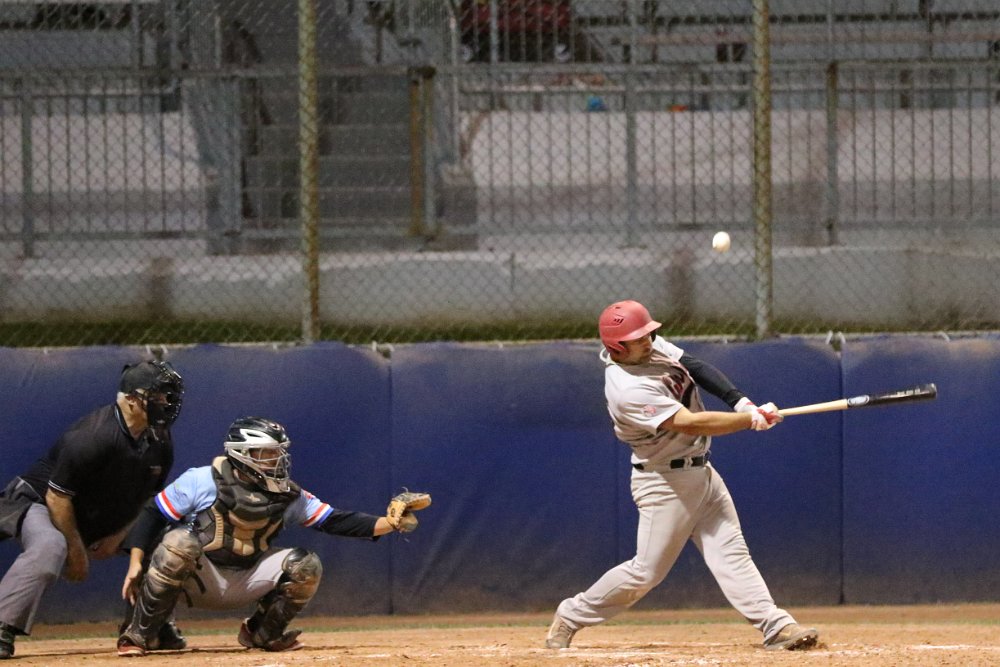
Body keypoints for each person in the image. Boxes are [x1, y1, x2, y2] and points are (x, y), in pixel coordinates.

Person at [545, 300, 819, 652]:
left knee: (731, 552)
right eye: (638, 339)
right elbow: (689, 423)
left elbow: (694, 366)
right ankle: (570, 615)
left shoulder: (648, 347)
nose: (649, 341)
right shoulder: (627, 389)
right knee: (645, 573)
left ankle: (775, 625)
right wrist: (749, 421)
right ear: (617, 347)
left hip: (700, 471)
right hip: (664, 483)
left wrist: (741, 403)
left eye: (649, 334)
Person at [116, 416, 431, 657]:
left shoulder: (287, 494)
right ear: (243, 454)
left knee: (306, 565)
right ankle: (141, 633)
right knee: (178, 542)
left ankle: (263, 633)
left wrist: (389, 523)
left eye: (278, 453)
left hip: (246, 578)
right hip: (198, 579)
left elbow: (334, 520)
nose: (277, 460)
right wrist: (135, 563)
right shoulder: (201, 480)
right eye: (267, 453)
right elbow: (153, 514)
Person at [0, 360, 184, 660]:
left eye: (168, 395)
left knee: (168, 538)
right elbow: (57, 497)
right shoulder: (94, 435)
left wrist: (120, 535)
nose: (166, 402)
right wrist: (76, 551)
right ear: (132, 399)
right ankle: (2, 626)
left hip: (90, 514)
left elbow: (149, 501)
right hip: (40, 502)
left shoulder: (160, 440)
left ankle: (148, 625)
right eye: (157, 395)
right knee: (51, 545)